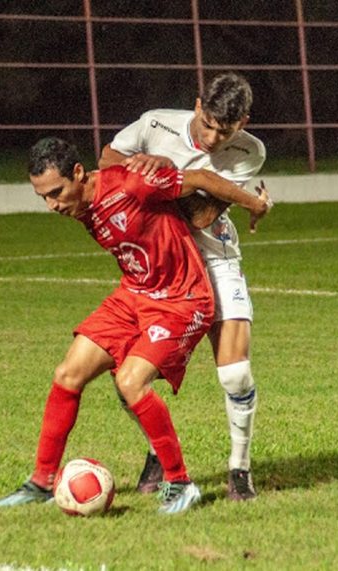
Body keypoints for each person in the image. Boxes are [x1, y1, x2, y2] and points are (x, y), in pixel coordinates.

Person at [0, 136, 270, 515]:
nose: (52, 205)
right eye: (42, 197)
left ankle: (180, 483)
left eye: (56, 192)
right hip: (136, 295)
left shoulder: (131, 184)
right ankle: (42, 481)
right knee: (68, 373)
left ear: (78, 173)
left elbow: (202, 178)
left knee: (130, 381)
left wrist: (256, 204)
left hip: (181, 299)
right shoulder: (83, 204)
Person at [98, 72, 267, 501]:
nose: (212, 138)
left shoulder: (248, 151)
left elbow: (201, 217)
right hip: (162, 266)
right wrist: (145, 168)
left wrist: (165, 171)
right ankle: (158, 451)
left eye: (223, 131)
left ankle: (240, 471)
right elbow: (106, 161)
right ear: (197, 106)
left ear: (242, 122)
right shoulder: (155, 124)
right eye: (207, 123)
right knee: (126, 376)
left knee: (235, 372)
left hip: (213, 256)